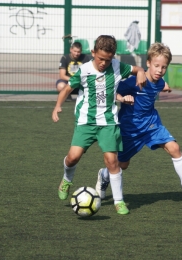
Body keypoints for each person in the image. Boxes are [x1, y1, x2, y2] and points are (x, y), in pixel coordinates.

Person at [95, 42, 182, 207]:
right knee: (122, 165)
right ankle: (104, 175)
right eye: (156, 66)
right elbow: (112, 90)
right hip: (130, 129)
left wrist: (165, 87)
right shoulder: (134, 82)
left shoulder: (160, 81)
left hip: (152, 125)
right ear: (148, 63)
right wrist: (122, 98)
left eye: (164, 67)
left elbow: (159, 86)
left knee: (175, 148)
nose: (159, 70)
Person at [52, 35, 147, 215]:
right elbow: (67, 89)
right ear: (93, 53)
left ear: (113, 57)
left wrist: (141, 71)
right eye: (100, 58)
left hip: (108, 122)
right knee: (73, 157)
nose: (104, 63)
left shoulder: (118, 66)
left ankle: (119, 201)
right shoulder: (84, 70)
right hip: (85, 121)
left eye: (108, 59)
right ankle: (66, 179)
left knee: (112, 161)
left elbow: (137, 69)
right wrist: (57, 106)